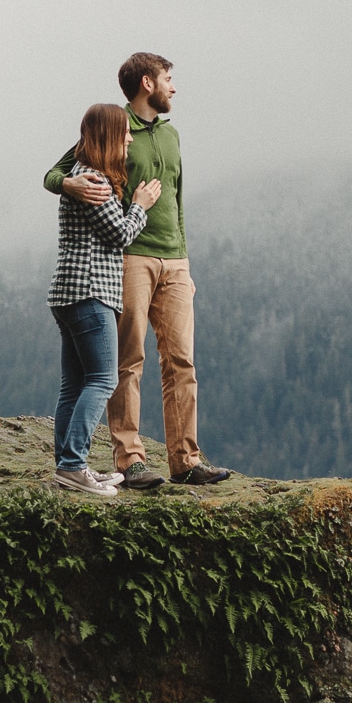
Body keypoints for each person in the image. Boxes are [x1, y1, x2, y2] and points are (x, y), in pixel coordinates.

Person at [44, 52, 231, 489]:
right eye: (169, 78)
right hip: (127, 258)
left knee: (181, 361)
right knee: (125, 363)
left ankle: (186, 461)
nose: (174, 87)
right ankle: (131, 462)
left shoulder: (172, 135)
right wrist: (67, 184)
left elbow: (178, 199)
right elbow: (57, 173)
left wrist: (183, 258)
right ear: (148, 83)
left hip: (174, 259)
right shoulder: (112, 127)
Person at [46, 102, 162, 497]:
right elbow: (121, 234)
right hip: (91, 294)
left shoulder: (81, 174)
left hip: (69, 294)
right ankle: (74, 465)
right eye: (124, 132)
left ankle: (67, 465)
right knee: (103, 379)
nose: (130, 138)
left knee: (74, 384)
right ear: (109, 136)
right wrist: (141, 206)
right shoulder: (93, 180)